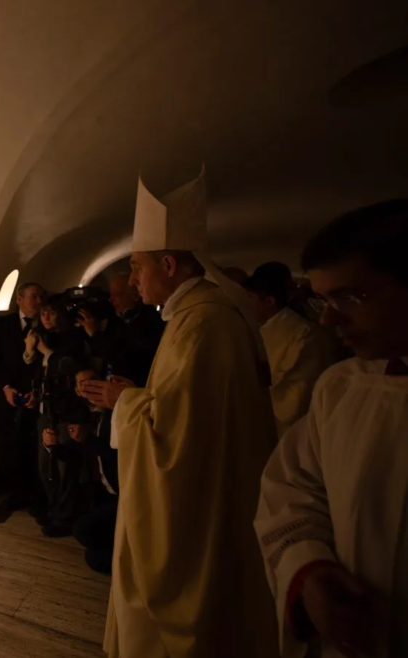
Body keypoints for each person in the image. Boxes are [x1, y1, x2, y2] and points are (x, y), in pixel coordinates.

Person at [80, 167, 278, 657]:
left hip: (197, 507)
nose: (132, 279)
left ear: (169, 265)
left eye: (139, 267)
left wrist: (124, 401)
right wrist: (139, 395)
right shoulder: (192, 317)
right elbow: (181, 407)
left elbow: (176, 439)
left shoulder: (205, 325)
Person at [255, 199, 408, 658]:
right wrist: (311, 570)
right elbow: (293, 490)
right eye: (323, 298)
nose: (327, 318)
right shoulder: (341, 388)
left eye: (351, 297)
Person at [243, 265, 339, 437]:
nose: (246, 303)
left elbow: (295, 398)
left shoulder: (303, 334)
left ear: (269, 301)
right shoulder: (259, 330)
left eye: (250, 297)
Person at [28, 298, 90, 536]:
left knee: (63, 466)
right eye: (43, 313)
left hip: (65, 410)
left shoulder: (71, 339)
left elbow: (68, 367)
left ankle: (65, 516)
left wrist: (45, 352)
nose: (46, 318)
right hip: (45, 409)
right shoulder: (44, 339)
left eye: (52, 313)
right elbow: (38, 371)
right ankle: (54, 509)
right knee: (46, 466)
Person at [0, 282, 46, 510]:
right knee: (9, 443)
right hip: (9, 395)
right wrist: (5, 387)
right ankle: (14, 490)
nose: (38, 302)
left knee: (35, 445)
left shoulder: (47, 323)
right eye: (33, 297)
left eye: (41, 297)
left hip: (37, 395)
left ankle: (35, 493)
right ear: (19, 299)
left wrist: (37, 392)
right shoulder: (4, 324)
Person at [69, 365, 118, 574]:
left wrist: (88, 440)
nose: (90, 387)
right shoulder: (82, 416)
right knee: (92, 554)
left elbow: (119, 457)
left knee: (85, 534)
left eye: (94, 380)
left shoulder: (114, 415)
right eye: (84, 384)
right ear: (77, 391)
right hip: (99, 491)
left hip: (121, 492)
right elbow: (73, 457)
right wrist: (50, 445)